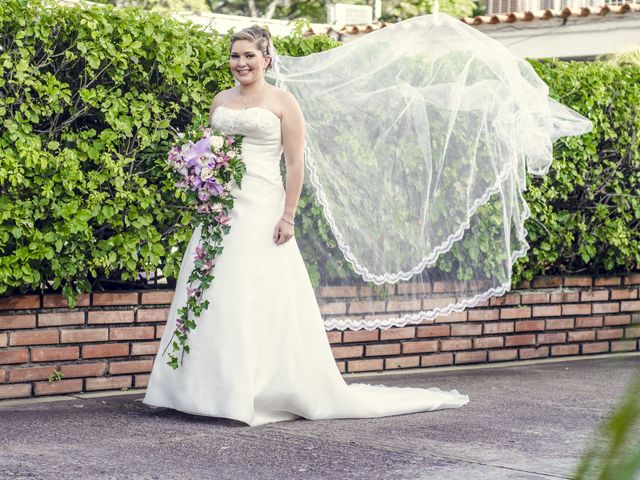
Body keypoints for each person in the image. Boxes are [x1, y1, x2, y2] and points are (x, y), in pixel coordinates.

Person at [142, 25, 471, 426]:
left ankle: (255, 390)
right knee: (210, 288)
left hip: (263, 208)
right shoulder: (220, 101)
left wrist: (287, 216)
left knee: (250, 290)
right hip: (220, 210)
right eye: (235, 56)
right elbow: (214, 151)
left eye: (249, 56)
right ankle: (195, 390)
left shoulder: (284, 102)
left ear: (266, 59)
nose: (241, 63)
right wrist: (198, 175)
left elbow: (295, 164)